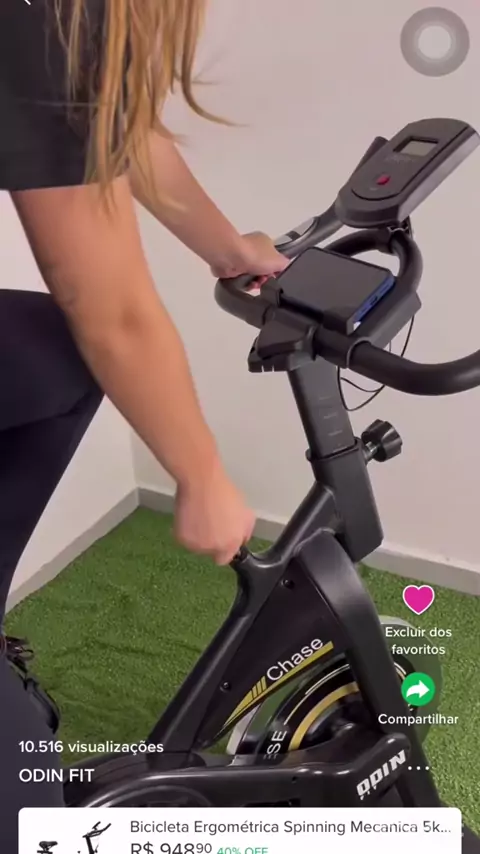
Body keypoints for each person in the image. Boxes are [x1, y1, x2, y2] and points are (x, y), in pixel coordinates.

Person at [0, 0, 288, 848]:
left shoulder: (53, 29)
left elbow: (111, 125)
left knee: (51, 360)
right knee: (23, 806)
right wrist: (201, 476)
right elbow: (113, 311)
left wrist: (228, 249)